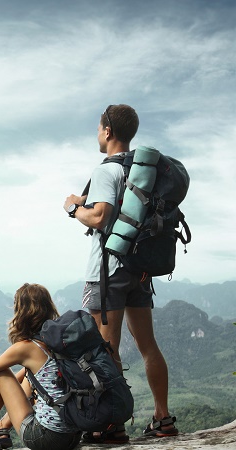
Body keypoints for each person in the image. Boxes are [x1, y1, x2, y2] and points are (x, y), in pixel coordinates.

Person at [63, 104, 178, 443]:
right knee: (148, 346)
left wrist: (73, 208)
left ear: (108, 131)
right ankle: (163, 418)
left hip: (108, 272)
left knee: (105, 350)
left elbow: (99, 217)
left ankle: (111, 424)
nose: (98, 134)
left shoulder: (106, 171)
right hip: (140, 271)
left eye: (99, 128)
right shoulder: (143, 172)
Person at [0, 283, 82, 450]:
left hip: (46, 439)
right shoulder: (58, 343)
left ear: (22, 312)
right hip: (72, 437)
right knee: (27, 374)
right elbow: (22, 382)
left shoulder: (27, 347)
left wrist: (0, 364)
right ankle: (0, 429)